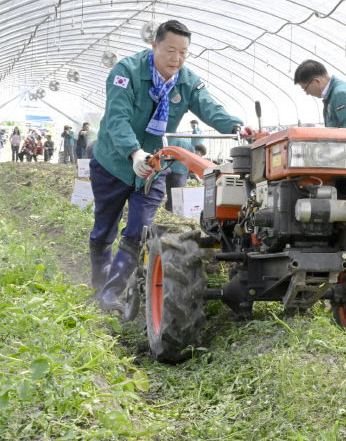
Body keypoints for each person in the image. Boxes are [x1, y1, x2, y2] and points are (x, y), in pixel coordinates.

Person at [88, 19, 246, 312]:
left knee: (138, 229)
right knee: (104, 228)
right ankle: (99, 280)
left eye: (183, 52)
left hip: (154, 166)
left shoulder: (187, 81)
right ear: (154, 45)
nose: (177, 58)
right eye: (171, 50)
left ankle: (112, 294)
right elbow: (117, 119)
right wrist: (134, 153)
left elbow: (210, 108)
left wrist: (237, 126)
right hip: (114, 163)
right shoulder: (126, 72)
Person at [293, 59, 346, 186]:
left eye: (305, 88)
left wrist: (335, 159)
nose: (307, 93)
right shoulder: (333, 94)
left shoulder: (340, 94)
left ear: (317, 81)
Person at [164, 137, 193, 212]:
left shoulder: (170, 139)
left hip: (172, 169)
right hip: (183, 170)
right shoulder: (188, 143)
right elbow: (192, 156)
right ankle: (179, 210)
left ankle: (170, 209)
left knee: (171, 192)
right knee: (180, 191)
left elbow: (166, 154)